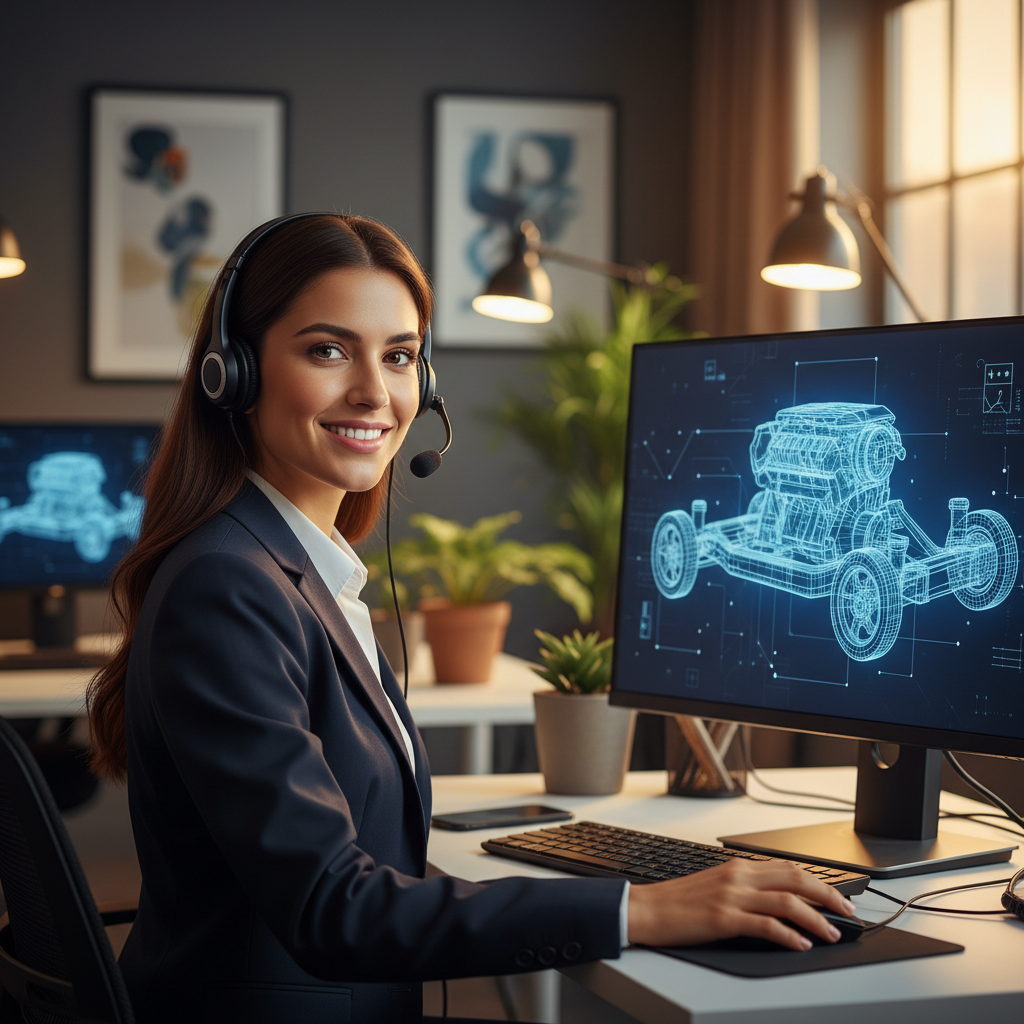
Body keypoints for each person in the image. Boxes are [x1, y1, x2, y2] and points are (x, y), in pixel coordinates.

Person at [87, 214, 856, 1024]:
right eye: (327, 350)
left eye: (400, 356)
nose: (374, 394)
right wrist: (643, 909)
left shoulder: (292, 566)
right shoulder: (229, 585)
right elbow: (331, 907)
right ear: (235, 371)